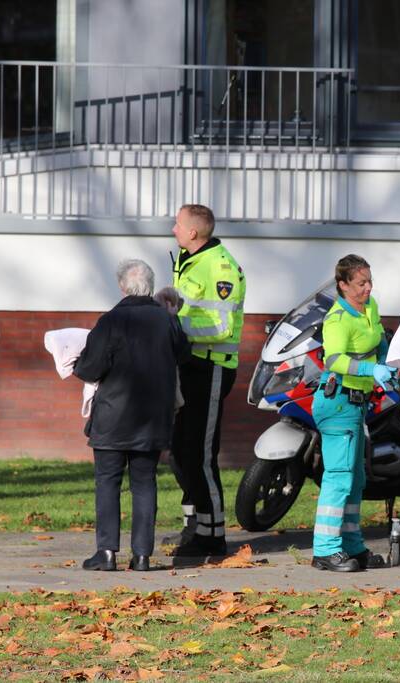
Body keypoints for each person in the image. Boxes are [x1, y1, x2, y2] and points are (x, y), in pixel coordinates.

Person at [73, 259, 190, 571]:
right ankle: (142, 556)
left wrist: (76, 360)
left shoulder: (110, 321)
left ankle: (107, 553)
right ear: (149, 286)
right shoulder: (166, 321)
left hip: (113, 417)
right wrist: (173, 316)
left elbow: (90, 368)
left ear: (122, 286)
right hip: (153, 419)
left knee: (108, 483)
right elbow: (184, 354)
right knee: (144, 482)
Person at [169, 204, 246, 557]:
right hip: (190, 365)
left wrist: (175, 328)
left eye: (178, 225)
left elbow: (221, 327)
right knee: (179, 451)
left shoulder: (219, 267)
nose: (174, 229)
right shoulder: (191, 259)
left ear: (193, 232)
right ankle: (193, 525)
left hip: (210, 368)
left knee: (199, 454)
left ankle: (213, 534)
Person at [312, 254, 395, 572]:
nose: (368, 288)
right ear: (343, 285)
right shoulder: (337, 319)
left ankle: (352, 546)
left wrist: (387, 362)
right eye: (361, 283)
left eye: (370, 281)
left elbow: (378, 341)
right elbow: (333, 359)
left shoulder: (370, 308)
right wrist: (371, 369)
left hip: (357, 404)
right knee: (338, 478)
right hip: (337, 404)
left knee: (356, 479)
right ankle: (325, 550)